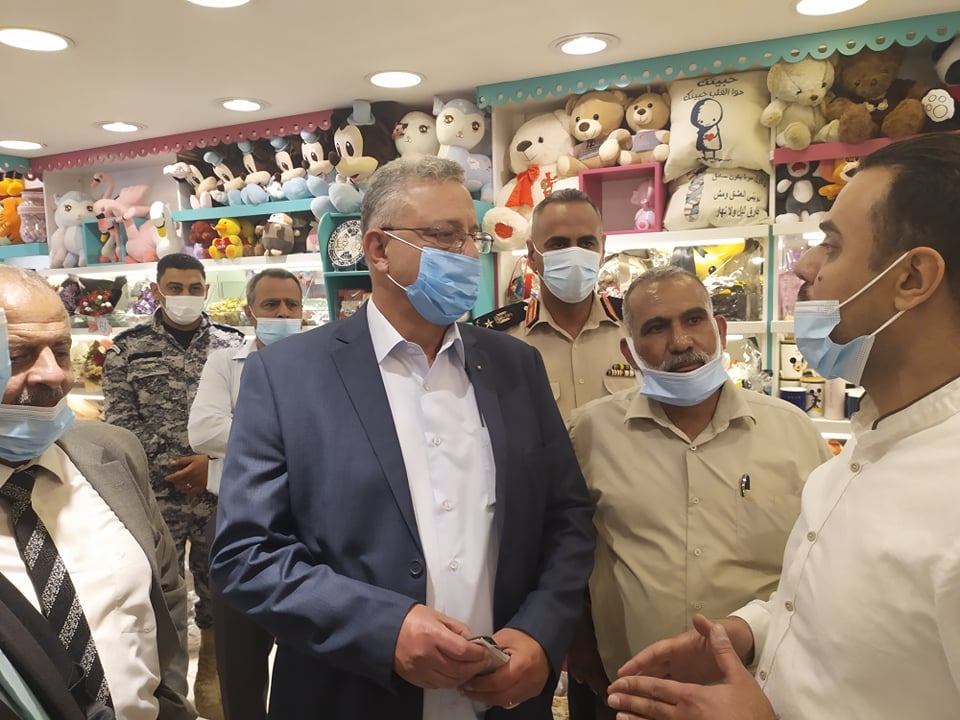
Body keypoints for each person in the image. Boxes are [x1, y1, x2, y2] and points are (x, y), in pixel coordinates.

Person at [210, 155, 595, 720]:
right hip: (351, 697)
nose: (466, 254)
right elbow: (246, 553)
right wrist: (384, 629)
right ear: (378, 249)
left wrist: (540, 633)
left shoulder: (515, 365)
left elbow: (567, 517)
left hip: (503, 699)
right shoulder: (287, 377)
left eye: (471, 237)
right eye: (443, 236)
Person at [606, 133, 960, 720]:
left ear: (911, 278)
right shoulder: (857, 459)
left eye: (832, 245)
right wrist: (746, 633)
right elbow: (825, 619)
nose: (804, 265)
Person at [566, 266, 830, 719]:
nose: (681, 341)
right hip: (634, 697)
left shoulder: (794, 433)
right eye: (656, 328)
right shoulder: (589, 433)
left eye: (693, 320)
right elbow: (563, 551)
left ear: (720, 330)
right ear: (629, 352)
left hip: (764, 698)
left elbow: (825, 564)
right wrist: (581, 651)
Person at [0, 265, 194, 719]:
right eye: (17, 355)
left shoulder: (115, 454)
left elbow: (165, 594)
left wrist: (169, 701)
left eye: (60, 351)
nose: (53, 375)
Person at [102, 253, 245, 720]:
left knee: (220, 589)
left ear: (206, 289)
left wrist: (211, 463)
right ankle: (169, 691)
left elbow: (251, 417)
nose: (186, 296)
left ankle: (213, 680)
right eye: (176, 287)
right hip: (154, 495)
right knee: (159, 594)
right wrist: (169, 470)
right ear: (157, 290)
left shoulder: (233, 345)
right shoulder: (127, 348)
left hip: (219, 489)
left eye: (194, 287)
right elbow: (120, 423)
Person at [188, 268, 304, 720]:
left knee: (309, 646)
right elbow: (203, 431)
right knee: (240, 656)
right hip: (238, 520)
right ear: (250, 311)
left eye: (291, 305)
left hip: (309, 522)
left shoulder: (322, 362)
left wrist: (249, 437)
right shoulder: (225, 363)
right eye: (271, 304)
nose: (282, 313)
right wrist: (293, 441)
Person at [473, 188, 631, 424]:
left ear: (602, 249)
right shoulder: (497, 338)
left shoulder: (637, 327)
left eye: (587, 243)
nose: (575, 255)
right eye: (558, 244)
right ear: (531, 254)